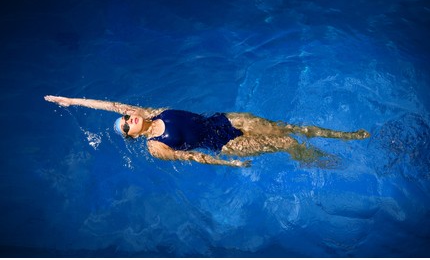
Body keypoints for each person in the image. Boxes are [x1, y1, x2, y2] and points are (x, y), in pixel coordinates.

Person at [44, 95, 370, 167]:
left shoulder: (148, 113)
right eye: (126, 125)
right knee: (286, 141)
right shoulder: (155, 147)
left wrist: (70, 100)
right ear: (131, 135)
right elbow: (196, 157)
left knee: (294, 127)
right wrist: (230, 164)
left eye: (127, 117)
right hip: (223, 145)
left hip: (226, 120)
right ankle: (319, 160)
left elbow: (112, 106)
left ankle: (345, 136)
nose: (128, 119)